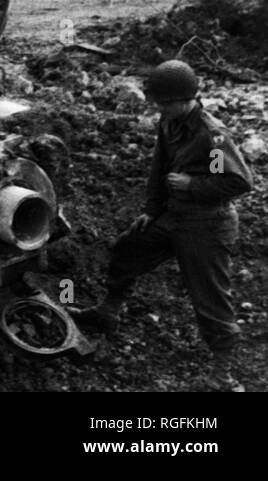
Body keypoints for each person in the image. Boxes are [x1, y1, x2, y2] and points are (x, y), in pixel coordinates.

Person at [72, 60, 254, 392]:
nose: (160, 108)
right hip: (172, 215)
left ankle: (222, 374)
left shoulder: (211, 137)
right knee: (128, 248)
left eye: (165, 102)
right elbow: (160, 167)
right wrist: (151, 210)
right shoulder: (170, 122)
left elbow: (237, 182)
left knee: (210, 297)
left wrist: (192, 185)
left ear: (187, 98)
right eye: (159, 103)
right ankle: (109, 309)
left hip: (206, 225)